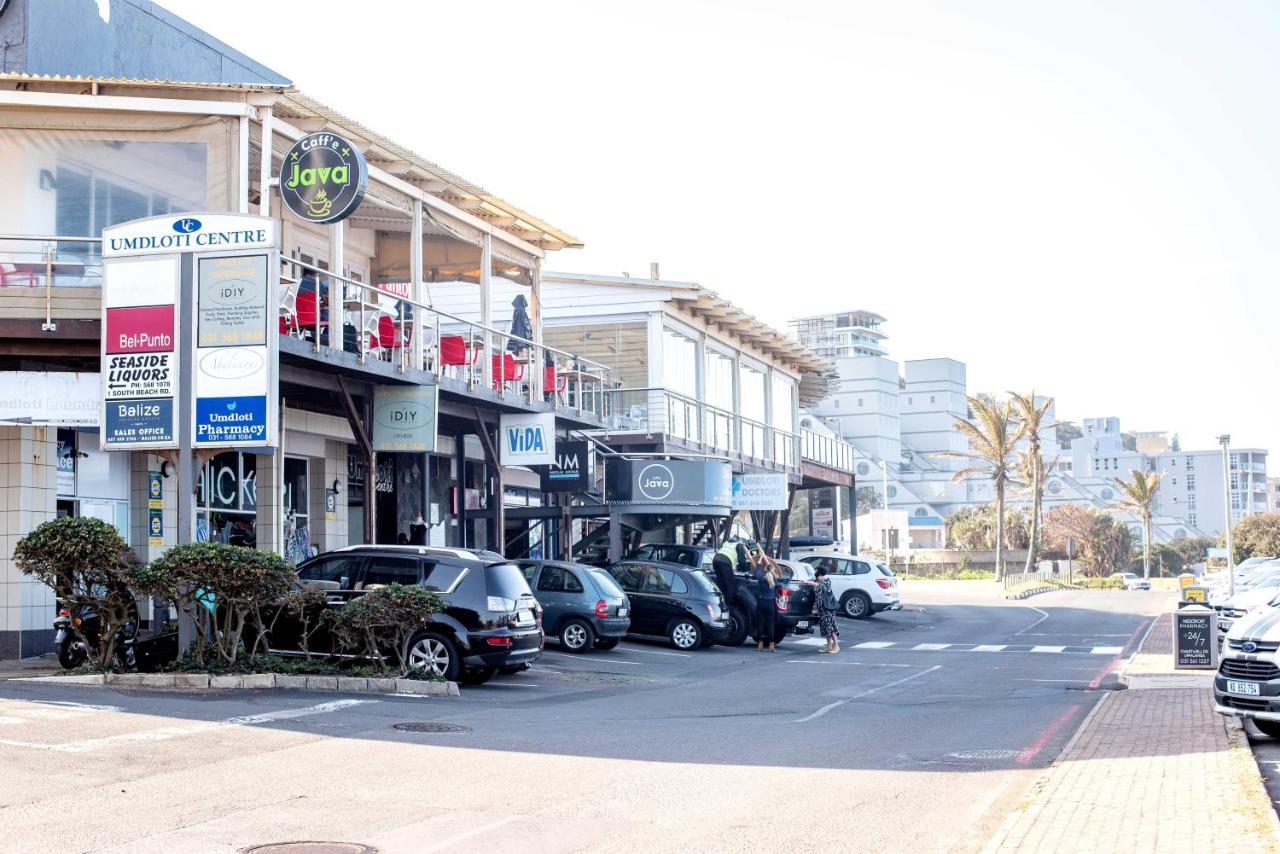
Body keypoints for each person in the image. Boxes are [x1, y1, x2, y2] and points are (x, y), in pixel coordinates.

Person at [809, 565, 841, 654]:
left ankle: (836, 646)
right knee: (825, 627)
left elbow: (823, 587)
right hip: (822, 609)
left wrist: (814, 584)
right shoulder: (819, 581)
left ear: (820, 574)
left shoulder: (827, 582)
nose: (815, 575)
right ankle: (829, 646)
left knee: (830, 626)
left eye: (816, 573)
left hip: (828, 609)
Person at [753, 548, 779, 652]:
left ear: (765, 570)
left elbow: (757, 568)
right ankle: (771, 646)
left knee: (761, 624)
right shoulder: (775, 580)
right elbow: (776, 577)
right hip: (770, 603)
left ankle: (760, 645)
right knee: (770, 625)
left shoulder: (761, 578)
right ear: (772, 570)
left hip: (761, 602)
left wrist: (761, 557)